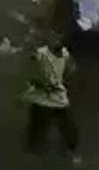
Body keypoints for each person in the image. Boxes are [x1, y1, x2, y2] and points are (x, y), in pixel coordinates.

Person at [23, 31, 80, 163]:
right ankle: (34, 151)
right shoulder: (41, 53)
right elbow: (30, 61)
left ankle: (68, 150)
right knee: (37, 127)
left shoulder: (64, 54)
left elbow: (71, 70)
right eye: (53, 38)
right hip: (41, 98)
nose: (56, 41)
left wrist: (65, 78)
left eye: (58, 38)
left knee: (69, 127)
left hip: (57, 98)